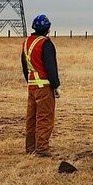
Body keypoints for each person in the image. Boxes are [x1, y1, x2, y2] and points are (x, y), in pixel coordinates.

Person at [21, 13, 61, 157]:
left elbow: (25, 66)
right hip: (44, 86)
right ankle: (42, 149)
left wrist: (30, 81)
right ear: (48, 28)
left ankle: (30, 147)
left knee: (31, 118)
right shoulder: (46, 43)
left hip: (32, 86)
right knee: (44, 118)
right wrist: (56, 85)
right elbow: (51, 66)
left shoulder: (27, 42)